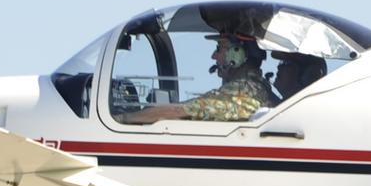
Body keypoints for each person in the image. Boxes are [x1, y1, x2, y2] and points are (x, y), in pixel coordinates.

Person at [115, 32, 276, 124]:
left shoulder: (244, 90)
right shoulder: (257, 87)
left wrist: (125, 118)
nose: (214, 56)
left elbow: (182, 111)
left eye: (220, 48)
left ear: (237, 54)